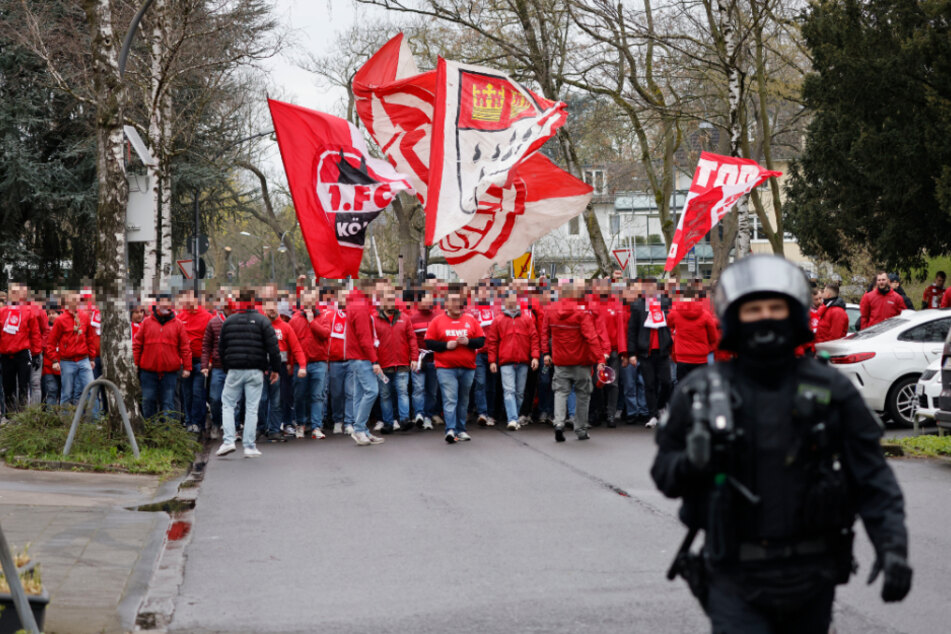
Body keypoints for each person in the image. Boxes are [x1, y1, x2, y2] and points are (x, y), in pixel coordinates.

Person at [652, 255, 911, 633]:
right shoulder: (701, 392)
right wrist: (693, 461)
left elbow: (873, 477)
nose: (765, 317)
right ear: (735, 316)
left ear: (793, 313)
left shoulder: (830, 389)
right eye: (754, 309)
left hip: (812, 574)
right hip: (733, 574)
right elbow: (665, 475)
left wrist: (893, 547)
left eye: (775, 307)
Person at [216, 289, 282, 459]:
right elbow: (274, 348)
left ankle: (229, 440)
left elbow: (221, 349)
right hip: (255, 370)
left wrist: (226, 367)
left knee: (228, 404)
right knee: (252, 408)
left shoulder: (229, 322)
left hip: (234, 369)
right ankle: (249, 446)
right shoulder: (262, 321)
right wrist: (275, 369)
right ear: (254, 301)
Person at [542, 281, 605, 442]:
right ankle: (581, 429)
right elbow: (591, 337)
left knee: (561, 392)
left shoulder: (550, 311)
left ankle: (559, 424)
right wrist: (600, 358)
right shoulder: (581, 313)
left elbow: (544, 333)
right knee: (583, 394)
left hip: (561, 360)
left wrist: (546, 353)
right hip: (581, 361)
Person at [424, 288, 485, 444]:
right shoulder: (437, 321)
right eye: (454, 301)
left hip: (468, 367)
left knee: (463, 399)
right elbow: (429, 342)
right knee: (450, 399)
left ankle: (461, 430)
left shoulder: (471, 320)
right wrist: (445, 345)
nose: (459, 304)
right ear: (447, 305)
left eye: (460, 301)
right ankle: (450, 430)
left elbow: (481, 340)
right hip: (446, 367)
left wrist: (469, 342)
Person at [487, 290, 540, 431]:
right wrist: (492, 361)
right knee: (509, 390)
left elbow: (534, 338)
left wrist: (535, 356)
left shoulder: (527, 319)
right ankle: (513, 419)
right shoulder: (498, 320)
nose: (512, 302)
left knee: (519, 393)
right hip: (506, 361)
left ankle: (514, 417)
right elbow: (492, 341)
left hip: (523, 361)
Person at [133, 294, 191, 421]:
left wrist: (187, 367)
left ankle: (167, 435)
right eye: (162, 302)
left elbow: (185, 347)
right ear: (157, 304)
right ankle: (150, 432)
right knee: (148, 402)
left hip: (169, 372)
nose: (165, 304)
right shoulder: (146, 323)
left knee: (168, 404)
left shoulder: (178, 324)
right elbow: (137, 344)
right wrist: (135, 364)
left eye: (168, 301)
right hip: (148, 372)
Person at [627, 279, 673, 428]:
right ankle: (653, 415)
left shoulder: (665, 303)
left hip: (663, 350)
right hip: (645, 352)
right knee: (649, 385)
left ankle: (660, 407)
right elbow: (632, 331)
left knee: (667, 382)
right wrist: (631, 353)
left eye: (652, 286)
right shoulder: (637, 306)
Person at [373, 284, 418, 434]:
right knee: (385, 394)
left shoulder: (404, 318)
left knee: (402, 391)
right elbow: (371, 342)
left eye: (392, 298)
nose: (390, 301)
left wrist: (415, 357)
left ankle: (404, 420)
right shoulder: (374, 319)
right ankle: (388, 423)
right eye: (387, 299)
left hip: (402, 363)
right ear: (381, 301)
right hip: (383, 364)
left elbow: (412, 338)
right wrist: (374, 361)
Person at [260, 299, 306, 442]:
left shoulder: (286, 327)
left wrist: (302, 366)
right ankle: (261, 428)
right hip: (261, 367)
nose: (272, 309)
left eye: (274, 306)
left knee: (277, 400)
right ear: (263, 309)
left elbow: (296, 347)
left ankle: (274, 430)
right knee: (261, 400)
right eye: (269, 307)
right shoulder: (260, 326)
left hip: (280, 368)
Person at [345, 281, 385, 446]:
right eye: (378, 289)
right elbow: (364, 338)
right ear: (368, 289)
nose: (379, 292)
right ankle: (360, 429)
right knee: (372, 391)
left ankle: (363, 430)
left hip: (357, 356)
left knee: (360, 395)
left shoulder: (357, 305)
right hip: (362, 357)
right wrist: (374, 360)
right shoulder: (361, 308)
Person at [288, 292, 330, 439]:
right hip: (301, 365)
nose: (309, 304)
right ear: (302, 302)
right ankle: (300, 424)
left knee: (317, 396)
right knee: (299, 396)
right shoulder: (294, 320)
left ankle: (316, 426)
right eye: (306, 301)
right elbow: (290, 344)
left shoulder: (323, 317)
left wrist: (312, 322)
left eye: (312, 300)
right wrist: (290, 363)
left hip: (319, 363)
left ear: (316, 301)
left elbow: (325, 334)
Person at [47, 292, 95, 406]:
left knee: (92, 390)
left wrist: (92, 358)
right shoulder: (60, 320)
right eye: (74, 299)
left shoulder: (84, 317)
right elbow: (51, 342)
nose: (77, 301)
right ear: (67, 301)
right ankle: (66, 422)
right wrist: (54, 360)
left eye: (78, 299)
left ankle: (94, 420)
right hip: (67, 361)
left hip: (84, 360)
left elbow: (90, 338)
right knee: (66, 394)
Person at [0, 283, 42, 414]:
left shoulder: (29, 312)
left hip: (23, 353)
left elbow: (35, 334)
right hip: (6, 354)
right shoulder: (2, 312)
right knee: (8, 386)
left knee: (24, 385)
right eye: (12, 292)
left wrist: (36, 354)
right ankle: (10, 415)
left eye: (17, 293)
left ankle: (23, 415)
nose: (15, 295)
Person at [178, 292, 212, 433]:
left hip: (200, 361)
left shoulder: (207, 317)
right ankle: (189, 421)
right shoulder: (180, 317)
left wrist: (209, 361)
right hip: (185, 362)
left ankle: (198, 422)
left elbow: (212, 341)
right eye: (186, 297)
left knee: (198, 392)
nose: (189, 300)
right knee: (187, 393)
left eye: (191, 297)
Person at [666, 292, 718, 381]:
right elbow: (713, 337)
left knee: (683, 386)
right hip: (701, 358)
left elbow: (669, 324)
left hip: (682, 357)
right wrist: (708, 347)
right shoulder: (705, 314)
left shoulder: (675, 313)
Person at [409, 289, 440, 430]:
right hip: (418, 358)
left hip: (435, 359)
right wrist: (414, 357)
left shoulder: (438, 317)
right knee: (418, 388)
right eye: (424, 299)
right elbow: (411, 341)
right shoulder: (412, 318)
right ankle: (419, 414)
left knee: (432, 391)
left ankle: (428, 415)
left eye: (429, 299)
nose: (427, 302)